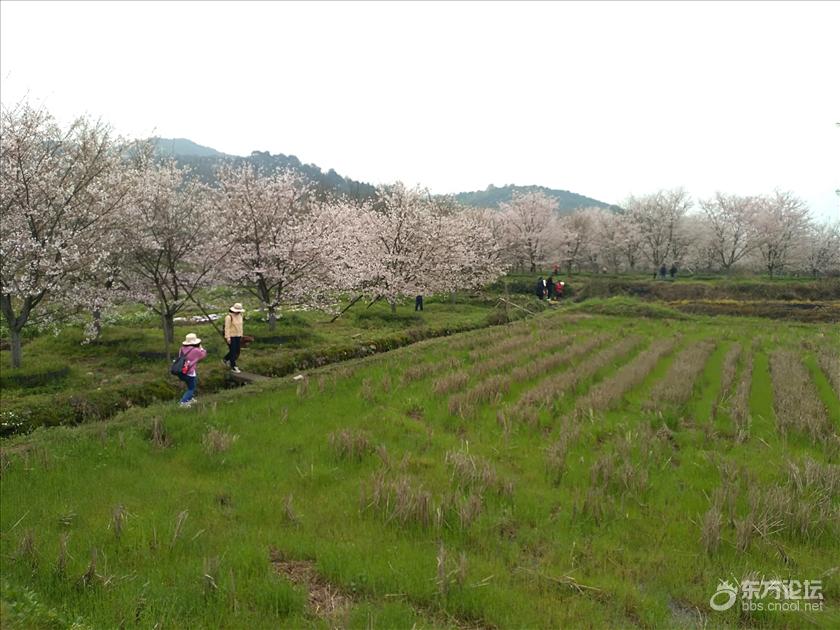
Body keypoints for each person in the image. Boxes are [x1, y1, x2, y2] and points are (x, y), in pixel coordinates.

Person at [177, 333, 207, 407]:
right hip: (190, 372)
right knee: (191, 388)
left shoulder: (181, 349)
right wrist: (201, 348)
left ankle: (190, 399)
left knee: (189, 385)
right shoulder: (196, 350)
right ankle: (183, 402)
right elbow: (203, 355)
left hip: (182, 371)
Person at [223, 302, 245, 373]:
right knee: (233, 351)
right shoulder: (229, 317)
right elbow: (227, 328)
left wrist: (241, 335)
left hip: (238, 336)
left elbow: (240, 326)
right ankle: (233, 366)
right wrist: (228, 338)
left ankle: (226, 359)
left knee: (237, 351)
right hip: (231, 336)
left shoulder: (240, 316)